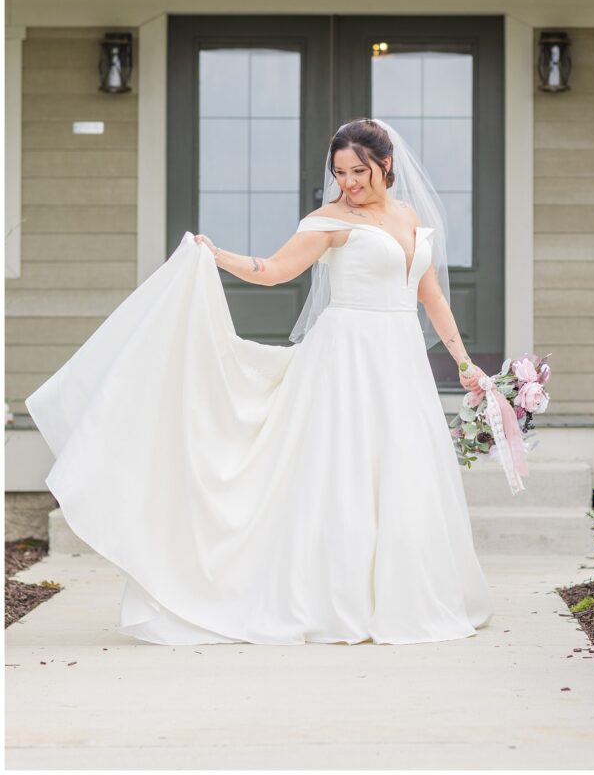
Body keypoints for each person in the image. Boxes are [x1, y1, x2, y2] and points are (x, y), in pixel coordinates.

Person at [26, 117, 495, 646]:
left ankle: (405, 595)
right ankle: (336, 599)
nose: (349, 183)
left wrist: (463, 362)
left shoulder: (409, 217)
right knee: (342, 474)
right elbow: (273, 270)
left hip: (400, 359)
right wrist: (218, 256)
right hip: (346, 359)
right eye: (340, 172)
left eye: (358, 171)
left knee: (403, 470)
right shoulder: (330, 220)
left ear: (385, 165)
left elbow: (430, 296)